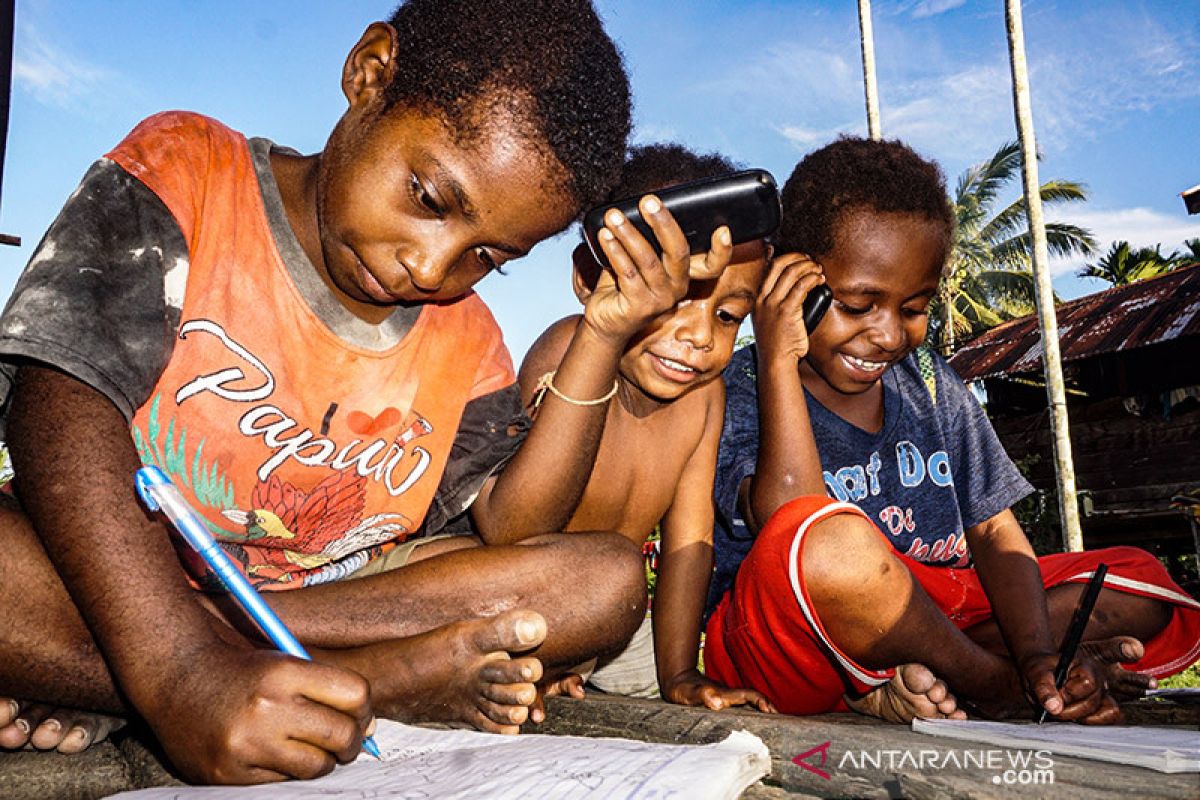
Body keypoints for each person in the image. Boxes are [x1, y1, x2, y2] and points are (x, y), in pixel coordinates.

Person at [0, 0, 648, 784]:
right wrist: (176, 671)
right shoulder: (191, 166)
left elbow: (513, 531)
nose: (432, 267)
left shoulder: (468, 339)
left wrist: (605, 333)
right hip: (105, 567)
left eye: (487, 255)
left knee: (604, 582)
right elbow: (58, 404)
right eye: (431, 199)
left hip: (322, 598)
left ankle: (134, 673)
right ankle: (375, 684)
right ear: (369, 73)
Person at [704, 136, 1200, 723]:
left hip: (937, 613)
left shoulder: (931, 384)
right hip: (801, 630)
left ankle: (965, 672)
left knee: (1137, 578)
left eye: (913, 309)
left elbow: (993, 534)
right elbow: (794, 522)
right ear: (788, 285)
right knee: (832, 550)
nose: (889, 336)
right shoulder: (741, 389)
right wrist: (777, 357)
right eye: (858, 305)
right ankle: (993, 684)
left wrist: (1039, 651)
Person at [505, 144, 775, 712]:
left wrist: (679, 670)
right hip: (509, 599)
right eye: (675, 297)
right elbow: (509, 531)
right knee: (609, 576)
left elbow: (690, 540)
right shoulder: (568, 349)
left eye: (727, 317)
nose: (700, 336)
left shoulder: (705, 397)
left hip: (608, 624)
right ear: (588, 279)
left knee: (659, 671)